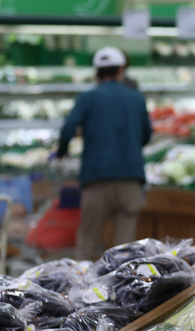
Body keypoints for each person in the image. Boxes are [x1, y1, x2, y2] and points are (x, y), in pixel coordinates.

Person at [56, 46, 152, 261]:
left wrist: (62, 151)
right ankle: (124, 288)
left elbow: (69, 127)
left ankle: (81, 288)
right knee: (126, 247)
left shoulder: (88, 98)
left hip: (96, 178)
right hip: (130, 178)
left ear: (96, 72)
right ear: (121, 71)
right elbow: (146, 135)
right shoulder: (136, 98)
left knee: (87, 240)